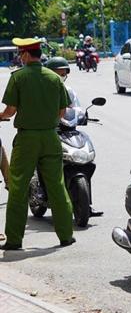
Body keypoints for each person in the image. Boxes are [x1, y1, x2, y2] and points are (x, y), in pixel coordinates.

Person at [0, 38, 75, 250]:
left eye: (19, 53)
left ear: (25, 54)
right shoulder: (54, 78)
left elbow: (10, 111)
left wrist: (0, 117)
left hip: (27, 140)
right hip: (51, 138)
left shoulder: (19, 77)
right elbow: (62, 112)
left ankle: (14, 240)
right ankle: (66, 236)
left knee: (18, 188)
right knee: (57, 186)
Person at [45, 57, 103, 217]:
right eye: (59, 73)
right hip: (48, 131)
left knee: (86, 162)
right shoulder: (42, 90)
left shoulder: (68, 91)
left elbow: (76, 107)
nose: (62, 76)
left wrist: (82, 115)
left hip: (68, 130)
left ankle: (87, 204)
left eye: (64, 73)